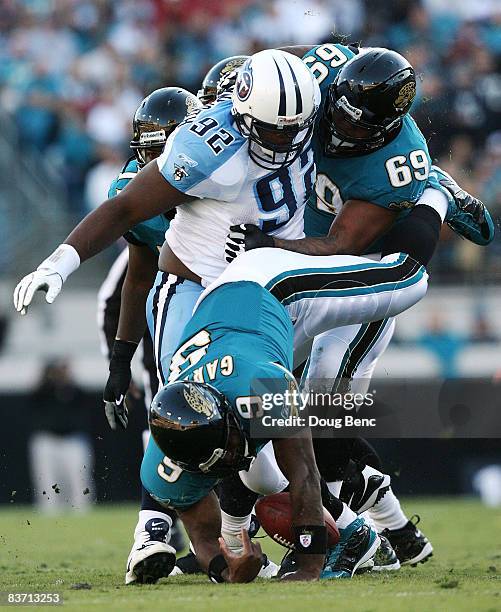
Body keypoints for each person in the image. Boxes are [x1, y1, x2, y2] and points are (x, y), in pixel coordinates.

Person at [13, 49, 322, 583]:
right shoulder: (206, 149)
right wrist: (62, 263)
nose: (283, 141)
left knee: (281, 426)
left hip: (268, 289)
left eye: (292, 128)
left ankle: (341, 529)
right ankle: (176, 536)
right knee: (191, 423)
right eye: (271, 130)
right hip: (193, 296)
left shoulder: (300, 110)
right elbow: (130, 234)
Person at [224, 44, 493, 566]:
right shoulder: (324, 75)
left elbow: (342, 246)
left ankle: (438, 194)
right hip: (306, 270)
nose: (340, 131)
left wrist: (270, 246)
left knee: (325, 407)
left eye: (359, 127)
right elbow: (284, 60)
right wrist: (251, 74)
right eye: (339, 115)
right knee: (270, 399)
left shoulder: (396, 162)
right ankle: (399, 537)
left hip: (363, 277)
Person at [143, 191, 444, 582]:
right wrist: (229, 568)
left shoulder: (258, 390)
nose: (231, 459)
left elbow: (303, 473)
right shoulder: (163, 464)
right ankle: (369, 508)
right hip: (251, 332)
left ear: (231, 413)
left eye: (229, 446)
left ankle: (436, 194)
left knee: (405, 284)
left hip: (272, 287)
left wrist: (307, 565)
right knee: (260, 476)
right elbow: (201, 536)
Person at [96, 86, 203, 556]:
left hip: (254, 296)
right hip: (179, 302)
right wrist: (120, 363)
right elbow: (134, 282)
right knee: (171, 415)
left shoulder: (228, 172)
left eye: (164, 149)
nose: (152, 161)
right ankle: (154, 529)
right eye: (147, 149)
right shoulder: (135, 191)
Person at [28, 358, 93, 514]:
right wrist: (47, 377)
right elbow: (33, 398)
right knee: (47, 480)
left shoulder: (74, 391)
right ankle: (49, 512)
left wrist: (65, 381)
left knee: (79, 479)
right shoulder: (44, 390)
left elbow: (83, 404)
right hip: (47, 440)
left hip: (73, 440)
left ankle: (82, 511)